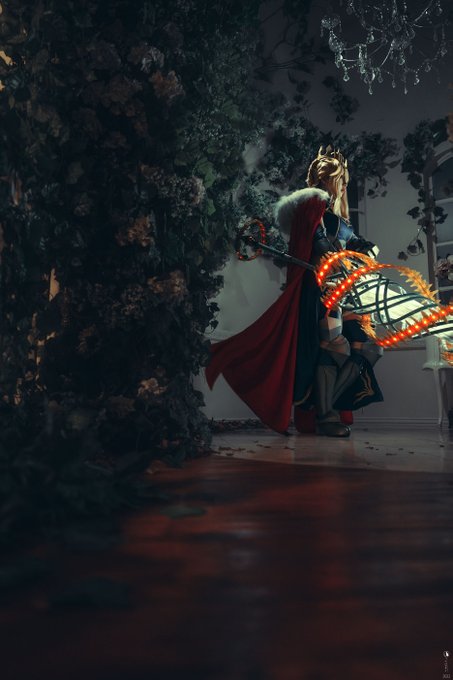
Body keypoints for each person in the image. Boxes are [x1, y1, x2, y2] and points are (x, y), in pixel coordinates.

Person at [205, 146, 383, 436]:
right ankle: (325, 416)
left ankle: (329, 406)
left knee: (371, 348)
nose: (343, 188)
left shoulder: (335, 218)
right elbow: (319, 243)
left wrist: (366, 250)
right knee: (332, 345)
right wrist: (335, 255)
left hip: (344, 290)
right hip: (321, 291)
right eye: (341, 181)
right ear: (327, 180)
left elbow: (356, 243)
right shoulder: (312, 206)